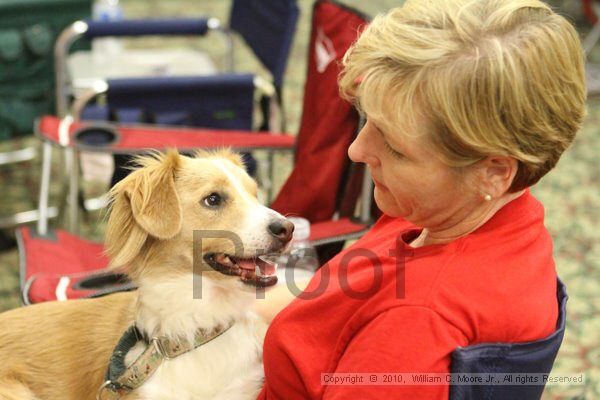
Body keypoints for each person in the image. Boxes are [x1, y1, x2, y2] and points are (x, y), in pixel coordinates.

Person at [254, 0, 586, 398]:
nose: (356, 150)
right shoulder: (467, 211)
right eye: (367, 120)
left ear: (494, 171)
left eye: (394, 147)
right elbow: (341, 304)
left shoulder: (418, 323)